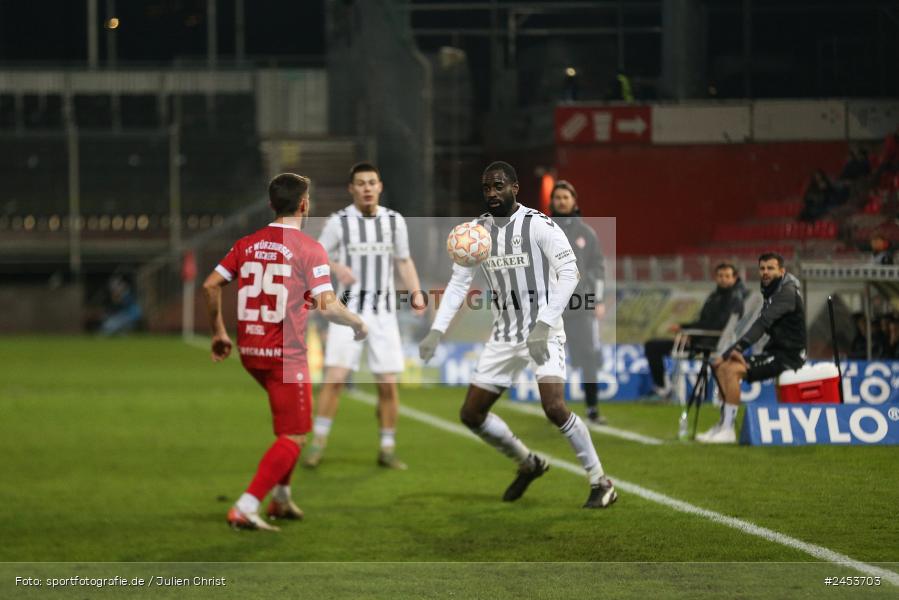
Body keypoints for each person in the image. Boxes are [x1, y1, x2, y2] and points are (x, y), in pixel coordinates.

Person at [419, 161, 617, 509]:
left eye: (498, 186)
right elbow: (458, 285)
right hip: (505, 335)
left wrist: (543, 325)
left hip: (545, 330)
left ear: (515, 188)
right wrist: (437, 330)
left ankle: (601, 482)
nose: (492, 193)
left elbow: (569, 273)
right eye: (486, 188)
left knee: (554, 406)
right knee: (471, 415)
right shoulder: (476, 234)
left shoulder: (539, 225)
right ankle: (529, 463)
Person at [202, 173, 368, 531]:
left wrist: (218, 331)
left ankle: (280, 499)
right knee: (295, 436)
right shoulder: (309, 249)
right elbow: (327, 306)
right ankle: (246, 507)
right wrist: (357, 323)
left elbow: (211, 284)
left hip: (250, 352)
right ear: (304, 204)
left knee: (288, 427)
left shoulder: (247, 243)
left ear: (271, 204)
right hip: (285, 358)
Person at [303, 162, 424, 470]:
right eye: (361, 183)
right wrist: (335, 266)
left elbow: (404, 260)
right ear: (352, 189)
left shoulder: (394, 221)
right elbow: (315, 255)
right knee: (335, 379)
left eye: (372, 182)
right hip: (348, 311)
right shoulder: (338, 222)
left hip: (384, 314)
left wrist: (416, 292)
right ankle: (317, 444)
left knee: (386, 383)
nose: (367, 188)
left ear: (380, 186)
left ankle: (387, 447)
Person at [700, 252, 806, 444]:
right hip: (774, 351)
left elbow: (762, 323)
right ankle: (724, 424)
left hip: (789, 356)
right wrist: (727, 355)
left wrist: (735, 350)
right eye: (762, 268)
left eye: (770, 268)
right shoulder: (772, 289)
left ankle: (728, 429)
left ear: (782, 271)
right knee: (722, 367)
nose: (765, 272)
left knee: (730, 370)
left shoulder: (786, 293)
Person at [549, 179, 608, 424]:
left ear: (574, 201)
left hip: (580, 304)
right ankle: (554, 406)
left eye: (566, 197)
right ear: (552, 202)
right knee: (551, 358)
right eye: (558, 197)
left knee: (587, 356)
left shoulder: (587, 233)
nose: (562, 201)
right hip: (551, 305)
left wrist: (599, 299)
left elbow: (599, 268)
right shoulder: (545, 229)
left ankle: (592, 408)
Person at [644, 264, 747, 397]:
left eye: (727, 276)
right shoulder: (715, 296)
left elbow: (717, 326)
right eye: (720, 276)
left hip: (708, 344)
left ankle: (662, 388)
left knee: (652, 347)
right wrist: (687, 331)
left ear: (734, 278)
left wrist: (686, 330)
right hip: (701, 339)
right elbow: (705, 321)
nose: (723, 279)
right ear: (716, 277)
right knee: (652, 345)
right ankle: (663, 387)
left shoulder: (733, 299)